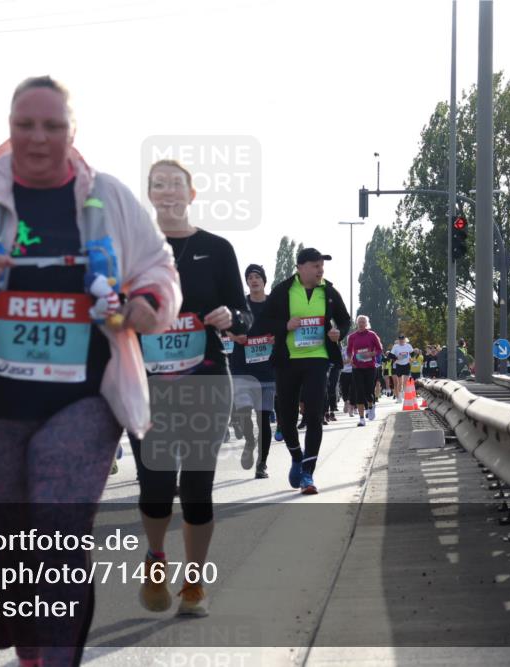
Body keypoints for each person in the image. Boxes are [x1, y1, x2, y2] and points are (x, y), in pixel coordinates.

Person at [0, 76, 181, 667]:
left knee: (58, 531)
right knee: (11, 547)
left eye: (52, 126)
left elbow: (159, 266)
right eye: (25, 124)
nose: (37, 138)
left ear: (73, 131)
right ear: (8, 127)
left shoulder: (108, 195)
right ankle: (21, 632)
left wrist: (149, 303)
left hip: (82, 398)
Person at [131, 159, 250, 618]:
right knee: (156, 485)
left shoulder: (217, 249)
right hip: (147, 385)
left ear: (192, 194)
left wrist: (230, 318)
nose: (167, 192)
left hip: (205, 379)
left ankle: (194, 583)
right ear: (150, 194)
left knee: (198, 485)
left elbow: (244, 316)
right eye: (158, 185)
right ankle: (156, 556)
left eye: (176, 185)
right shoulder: (132, 251)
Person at [260, 248, 351, 495]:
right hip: (287, 361)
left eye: (322, 266)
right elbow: (262, 322)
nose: (321, 270)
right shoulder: (283, 291)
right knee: (287, 418)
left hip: (317, 359)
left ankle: (308, 474)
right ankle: (297, 457)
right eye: (315, 266)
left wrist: (338, 333)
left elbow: (345, 320)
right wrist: (285, 325)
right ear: (300, 267)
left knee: (314, 413)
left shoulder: (329, 292)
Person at [227, 264, 275, 479]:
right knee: (243, 411)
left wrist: (277, 336)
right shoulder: (239, 304)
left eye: (257, 277)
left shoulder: (274, 303)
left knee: (264, 418)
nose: (254, 280)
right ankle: (249, 439)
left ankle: (262, 464)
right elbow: (223, 325)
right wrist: (233, 336)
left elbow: (283, 325)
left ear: (264, 280)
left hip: (266, 369)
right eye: (250, 277)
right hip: (242, 367)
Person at [346, 315, 383, 426]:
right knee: (359, 392)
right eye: (359, 322)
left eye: (363, 322)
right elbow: (349, 350)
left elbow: (379, 349)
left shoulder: (372, 335)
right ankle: (362, 419)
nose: (361, 324)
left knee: (368, 391)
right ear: (357, 323)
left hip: (370, 367)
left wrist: (371, 354)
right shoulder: (352, 336)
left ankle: (371, 406)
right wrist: (350, 359)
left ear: (366, 324)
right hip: (357, 367)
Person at [390, 334, 413, 400]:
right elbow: (390, 355)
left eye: (402, 340)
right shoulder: (396, 346)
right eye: (400, 340)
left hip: (406, 364)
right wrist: (397, 357)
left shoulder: (408, 346)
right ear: (398, 340)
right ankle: (399, 397)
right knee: (400, 382)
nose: (401, 341)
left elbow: (413, 353)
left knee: (405, 382)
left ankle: (405, 395)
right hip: (399, 365)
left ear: (405, 340)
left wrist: (411, 358)